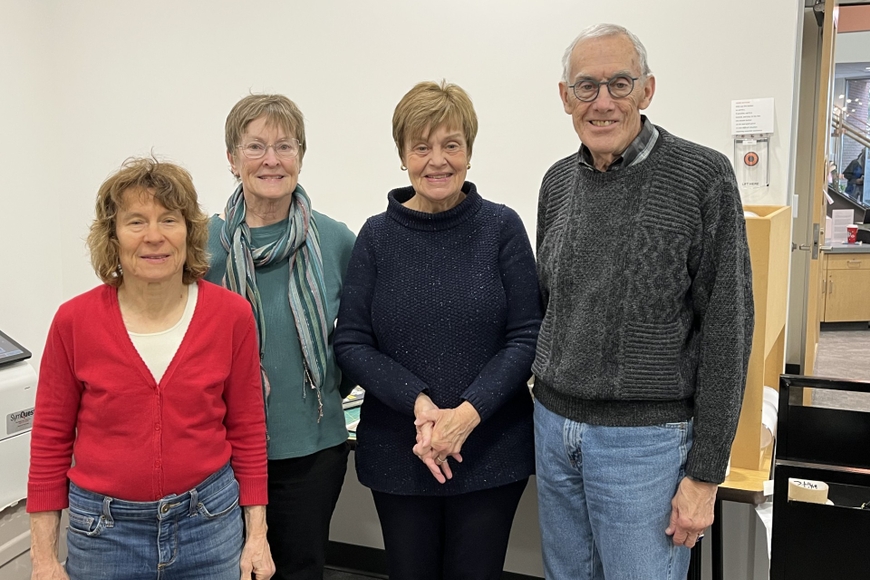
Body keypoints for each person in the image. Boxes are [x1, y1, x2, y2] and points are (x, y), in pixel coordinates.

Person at [533, 24, 754, 579]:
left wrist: (705, 474)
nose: (602, 102)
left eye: (620, 84)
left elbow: (728, 330)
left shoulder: (702, 176)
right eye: (586, 86)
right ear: (565, 97)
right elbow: (552, 309)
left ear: (647, 90)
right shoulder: (557, 183)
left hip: (647, 447)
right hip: (556, 431)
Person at [333, 81, 542, 580]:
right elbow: (351, 341)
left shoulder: (501, 228)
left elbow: (528, 335)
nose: (437, 160)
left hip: (490, 447)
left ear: (470, 151)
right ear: (402, 155)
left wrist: (467, 415)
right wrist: (421, 406)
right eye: (421, 146)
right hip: (401, 451)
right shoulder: (377, 236)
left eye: (451, 144)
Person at [27, 158, 274, 580]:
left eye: (169, 220)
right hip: (103, 536)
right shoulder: (74, 321)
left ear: (189, 232)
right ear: (113, 235)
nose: (154, 237)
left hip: (209, 528)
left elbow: (248, 429)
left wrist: (257, 536)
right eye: (136, 222)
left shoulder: (232, 316)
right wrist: (44, 559)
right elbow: (50, 440)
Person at [205, 94, 356, 580]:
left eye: (285, 146)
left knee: (301, 569)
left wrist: (329, 384)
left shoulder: (335, 240)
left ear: (301, 156)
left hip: (312, 448)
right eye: (255, 146)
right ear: (232, 159)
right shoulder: (200, 246)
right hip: (222, 450)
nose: (271, 159)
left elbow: (359, 337)